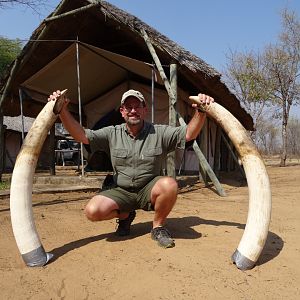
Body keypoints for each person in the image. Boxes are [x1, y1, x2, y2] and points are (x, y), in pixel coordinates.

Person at [48, 89, 214, 248]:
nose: (133, 110)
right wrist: (62, 110)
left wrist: (201, 111)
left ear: (145, 110)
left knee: (169, 185)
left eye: (137, 106)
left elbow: (188, 135)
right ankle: (125, 215)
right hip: (121, 190)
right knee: (92, 211)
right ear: (122, 111)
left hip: (149, 189)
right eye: (128, 107)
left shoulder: (159, 132)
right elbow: (82, 135)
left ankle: (158, 227)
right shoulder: (112, 133)